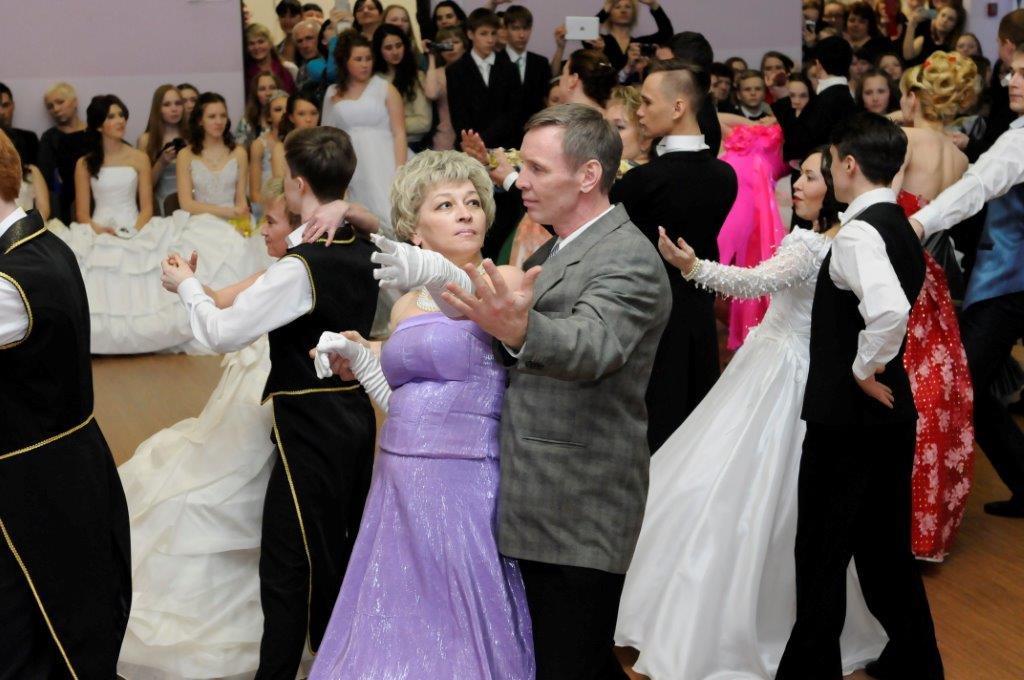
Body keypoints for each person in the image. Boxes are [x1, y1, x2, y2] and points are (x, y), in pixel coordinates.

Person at [616, 148, 888, 680]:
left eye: (810, 177)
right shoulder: (850, 245)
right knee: (773, 495)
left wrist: (691, 266)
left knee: (738, 486)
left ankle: (715, 621)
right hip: (797, 369)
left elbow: (752, 284)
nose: (798, 184)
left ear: (835, 187)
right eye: (800, 175)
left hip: (778, 373)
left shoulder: (809, 245)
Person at [431, 102, 670, 680]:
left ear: (588, 175)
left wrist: (518, 330)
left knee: (570, 660)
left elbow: (594, 344)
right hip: (544, 498)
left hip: (578, 504)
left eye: (537, 169)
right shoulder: (561, 246)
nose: (522, 180)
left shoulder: (627, 257)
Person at [160, 126, 380, 680]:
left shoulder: (301, 266)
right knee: (332, 547)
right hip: (354, 413)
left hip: (311, 424)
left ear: (298, 184)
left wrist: (186, 286)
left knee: (290, 560)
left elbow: (222, 334)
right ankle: (331, 658)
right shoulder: (364, 243)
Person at [308, 149, 535, 680]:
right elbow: (402, 400)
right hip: (397, 473)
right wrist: (361, 357)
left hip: (465, 477)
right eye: (445, 205)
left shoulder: (502, 278)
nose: (465, 213)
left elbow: (468, 302)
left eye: (472, 202)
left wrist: (432, 270)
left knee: (457, 624)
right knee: (393, 615)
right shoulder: (407, 304)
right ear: (416, 229)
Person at [776, 112, 942, 680]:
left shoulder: (858, 233)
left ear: (848, 165)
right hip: (890, 416)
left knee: (820, 554)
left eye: (829, 163)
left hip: (847, 420)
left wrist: (863, 366)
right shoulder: (899, 224)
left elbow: (889, 310)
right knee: (883, 552)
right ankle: (917, 663)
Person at [117, 180, 290, 680]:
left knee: (225, 494)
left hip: (265, 401)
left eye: (272, 222)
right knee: (185, 476)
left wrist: (193, 291)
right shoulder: (272, 273)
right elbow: (219, 301)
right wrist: (189, 283)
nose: (263, 231)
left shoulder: (299, 277)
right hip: (237, 406)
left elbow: (223, 332)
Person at [0, 127, 131, 680]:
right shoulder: (44, 244)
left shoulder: (11, 282)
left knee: (30, 644)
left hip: (31, 489)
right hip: (68, 463)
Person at [51, 93, 267, 355]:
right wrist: (101, 231)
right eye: (111, 116)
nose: (120, 121)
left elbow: (146, 207)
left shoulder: (138, 158)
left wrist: (134, 229)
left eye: (121, 115)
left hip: (136, 226)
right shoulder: (85, 163)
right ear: (98, 125)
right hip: (98, 229)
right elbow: (83, 214)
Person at [907, 41, 1024, 518]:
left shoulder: (1019, 139)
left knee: (962, 381)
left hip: (1009, 283)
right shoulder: (1013, 133)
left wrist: (918, 223)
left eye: (1023, 73)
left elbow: (981, 186)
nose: (1012, 80)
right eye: (1013, 72)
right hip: (1005, 281)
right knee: (974, 383)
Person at [610, 59, 738, 451]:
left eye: (647, 102)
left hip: (651, 327)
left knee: (655, 438)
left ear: (679, 107)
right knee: (692, 437)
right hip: (699, 322)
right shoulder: (725, 176)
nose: (640, 112)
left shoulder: (646, 180)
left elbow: (589, 227)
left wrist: (513, 180)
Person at [894, 51, 978, 560]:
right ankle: (925, 525)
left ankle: (891, 520)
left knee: (896, 386)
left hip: (895, 271)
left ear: (914, 96)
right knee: (932, 391)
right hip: (932, 276)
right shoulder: (960, 159)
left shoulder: (903, 141)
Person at [713, 111, 789, 349]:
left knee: (750, 273)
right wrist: (753, 124)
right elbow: (714, 116)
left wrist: (776, 121)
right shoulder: (741, 137)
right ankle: (735, 332)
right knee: (714, 271)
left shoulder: (781, 139)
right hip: (727, 208)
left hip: (756, 214)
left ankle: (749, 336)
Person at [322, 30, 407, 233]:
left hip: (385, 161)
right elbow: (327, 135)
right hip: (351, 162)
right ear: (345, 62)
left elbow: (399, 133)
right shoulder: (333, 92)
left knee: (391, 213)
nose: (365, 64)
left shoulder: (386, 88)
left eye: (368, 58)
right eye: (358, 59)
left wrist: (401, 171)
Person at [773, 36, 857, 167]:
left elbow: (797, 143)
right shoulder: (844, 97)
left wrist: (784, 98)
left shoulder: (825, 101)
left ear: (818, 65)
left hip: (822, 172)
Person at [446, 8, 523, 149]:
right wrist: (474, 142)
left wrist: (484, 139)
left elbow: (513, 112)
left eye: (493, 33)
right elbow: (458, 114)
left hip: (505, 145)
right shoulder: (455, 70)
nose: (490, 40)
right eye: (483, 33)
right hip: (470, 146)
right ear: (470, 34)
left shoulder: (509, 67)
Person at [176, 93, 251, 225]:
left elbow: (241, 199)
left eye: (223, 116)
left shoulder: (239, 153)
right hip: (200, 222)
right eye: (212, 117)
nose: (219, 122)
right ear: (200, 121)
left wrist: (241, 220)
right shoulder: (185, 155)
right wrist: (226, 212)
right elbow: (186, 203)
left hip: (233, 220)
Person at [373, 24, 434, 151]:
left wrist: (386, 125)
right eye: (388, 48)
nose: (395, 52)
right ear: (379, 50)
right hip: (379, 143)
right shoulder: (373, 79)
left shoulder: (416, 76)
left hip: (411, 144)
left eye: (399, 45)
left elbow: (424, 122)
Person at [38, 81, 90, 223]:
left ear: (75, 102)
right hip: (62, 204)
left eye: (60, 102)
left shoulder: (94, 133)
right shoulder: (49, 138)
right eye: (50, 106)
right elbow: (44, 176)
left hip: (95, 199)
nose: (55, 109)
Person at [138, 84, 187, 215]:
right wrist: (161, 162)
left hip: (192, 202)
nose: (174, 109)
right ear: (158, 109)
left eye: (178, 103)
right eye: (167, 104)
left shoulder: (193, 137)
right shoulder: (146, 140)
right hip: (162, 205)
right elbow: (144, 186)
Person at [501, 5, 552, 128]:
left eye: (526, 28)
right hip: (500, 133)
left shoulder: (541, 63)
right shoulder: (494, 63)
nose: (522, 35)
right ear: (505, 29)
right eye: (515, 28)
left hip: (535, 129)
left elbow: (546, 100)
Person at [592, 0, 673, 73]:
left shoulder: (640, 44)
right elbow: (588, 32)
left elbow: (666, 33)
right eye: (617, 7)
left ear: (633, 14)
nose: (623, 10)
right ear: (609, 13)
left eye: (628, 7)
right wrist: (605, 9)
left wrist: (653, 4)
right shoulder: (599, 42)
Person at [422, 26, 468, 151]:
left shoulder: (474, 70)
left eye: (456, 42)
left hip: (473, 133)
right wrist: (431, 56)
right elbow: (431, 93)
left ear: (464, 45)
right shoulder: (437, 73)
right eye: (445, 44)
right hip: (445, 136)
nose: (451, 47)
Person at [250, 90, 289, 211]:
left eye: (287, 109)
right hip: (267, 208)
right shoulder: (259, 145)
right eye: (278, 109)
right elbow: (254, 193)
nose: (284, 113)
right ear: (268, 116)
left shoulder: (296, 140)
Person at [245, 23, 297, 96]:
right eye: (251, 44)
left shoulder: (288, 69)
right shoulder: (244, 74)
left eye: (261, 42)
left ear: (270, 43)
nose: (256, 47)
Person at [0, 83, 38, 167]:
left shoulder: (29, 139)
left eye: (5, 105)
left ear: (13, 106)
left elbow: (36, 172)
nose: (1, 112)